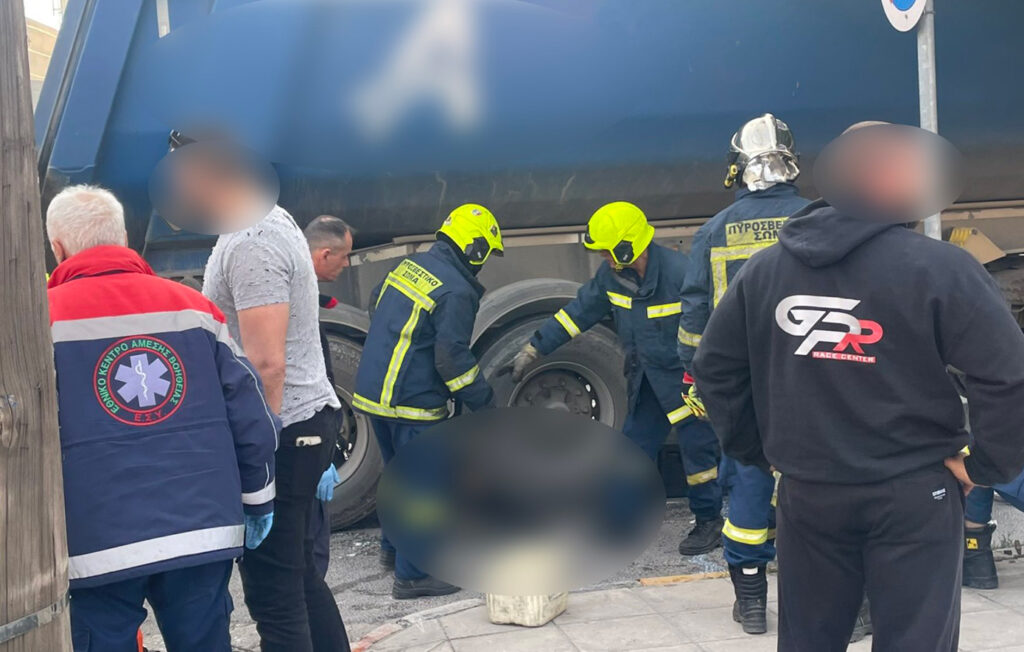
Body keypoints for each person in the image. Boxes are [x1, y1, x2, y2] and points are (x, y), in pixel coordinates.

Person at [692, 123, 1024, 651]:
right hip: (915, 494)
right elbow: (1008, 375)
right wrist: (985, 467)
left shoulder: (765, 271)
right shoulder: (941, 269)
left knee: (809, 640)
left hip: (809, 494)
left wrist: (762, 452)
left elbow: (714, 369)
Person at [45, 185, 279, 652]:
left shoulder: (41, 320)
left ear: (58, 248)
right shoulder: (195, 310)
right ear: (124, 238)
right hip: (200, 532)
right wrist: (258, 500)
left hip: (94, 544)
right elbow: (250, 413)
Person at [508, 201, 724, 554]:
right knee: (630, 452)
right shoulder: (612, 278)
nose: (605, 259)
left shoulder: (679, 273)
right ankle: (616, 520)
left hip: (686, 382)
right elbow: (578, 313)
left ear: (629, 246)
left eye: (609, 252)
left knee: (699, 453)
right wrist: (535, 348)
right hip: (647, 380)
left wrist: (709, 378)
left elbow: (712, 325)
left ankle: (708, 521)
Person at [199, 157, 349, 649]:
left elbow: (267, 363)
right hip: (299, 425)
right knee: (298, 575)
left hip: (285, 431)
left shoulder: (253, 240)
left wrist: (258, 461)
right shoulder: (263, 220)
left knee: (274, 594)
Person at [677, 114, 809, 635]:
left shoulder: (715, 231)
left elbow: (695, 319)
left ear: (737, 168)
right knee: (827, 489)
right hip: (817, 383)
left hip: (747, 389)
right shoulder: (819, 218)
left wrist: (696, 380)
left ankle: (752, 603)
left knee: (750, 487)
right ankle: (853, 606)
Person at [353, 204, 501, 599]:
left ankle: (392, 548)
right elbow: (452, 359)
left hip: (376, 393)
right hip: (412, 403)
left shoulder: (409, 266)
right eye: (486, 253)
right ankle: (415, 574)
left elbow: (376, 303)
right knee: (425, 488)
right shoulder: (457, 290)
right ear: (474, 249)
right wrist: (484, 403)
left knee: (398, 478)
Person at [303, 214, 355, 577]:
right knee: (308, 550)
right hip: (304, 443)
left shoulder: (298, 290)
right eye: (345, 255)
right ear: (324, 255)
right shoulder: (297, 301)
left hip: (305, 441)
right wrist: (320, 457)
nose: (347, 263)